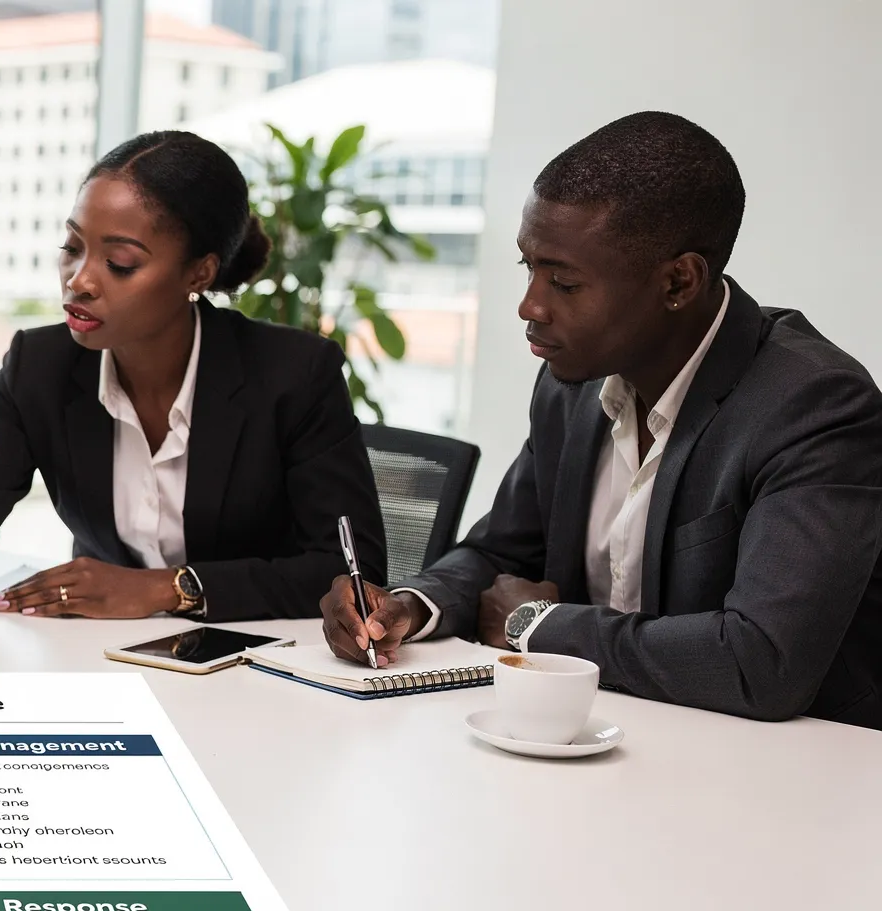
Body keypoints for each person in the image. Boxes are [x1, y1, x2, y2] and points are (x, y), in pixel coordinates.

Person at [321, 112, 882, 728]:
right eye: (527, 267)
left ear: (678, 280)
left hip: (789, 776)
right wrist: (407, 605)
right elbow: (502, 549)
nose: (530, 305)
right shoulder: (572, 385)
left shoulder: (816, 406)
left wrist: (534, 625)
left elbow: (762, 663)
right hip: (599, 740)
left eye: (564, 282)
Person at [0, 130, 385, 667]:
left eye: (120, 263)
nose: (79, 280)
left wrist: (168, 589)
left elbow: (347, 570)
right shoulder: (39, 367)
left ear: (200, 271)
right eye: (72, 248)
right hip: (101, 664)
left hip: (263, 671)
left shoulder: (293, 374)